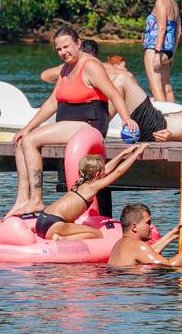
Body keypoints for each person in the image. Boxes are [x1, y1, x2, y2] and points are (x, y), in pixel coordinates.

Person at [8, 25, 127, 216]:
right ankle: (22, 199)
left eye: (66, 47)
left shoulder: (91, 66)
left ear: (78, 43)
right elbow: (53, 102)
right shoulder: (65, 69)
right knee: (22, 140)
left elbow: (114, 94)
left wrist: (127, 119)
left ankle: (37, 200)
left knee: (31, 141)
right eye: (59, 49)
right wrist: (27, 127)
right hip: (68, 126)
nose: (63, 52)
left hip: (89, 126)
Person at [14, 144, 146, 240]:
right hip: (54, 225)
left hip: (42, 221)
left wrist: (125, 153)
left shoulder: (81, 182)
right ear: (98, 174)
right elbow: (118, 172)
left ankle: (56, 235)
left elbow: (107, 169)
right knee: (97, 234)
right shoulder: (91, 187)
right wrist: (136, 153)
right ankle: (62, 239)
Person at [107, 203, 182, 269]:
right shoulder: (137, 246)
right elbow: (172, 265)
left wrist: (170, 236)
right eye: (148, 223)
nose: (152, 226)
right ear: (134, 227)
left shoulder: (119, 244)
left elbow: (147, 254)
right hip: (134, 292)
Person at [143, 0, 181, 104]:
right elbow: (178, 32)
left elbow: (162, 28)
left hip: (155, 49)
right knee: (167, 87)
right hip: (168, 51)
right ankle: (175, 118)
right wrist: (172, 55)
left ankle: (163, 121)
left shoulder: (160, 2)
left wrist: (157, 53)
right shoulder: (174, 4)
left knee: (156, 88)